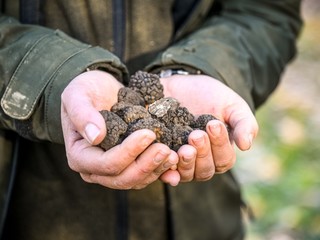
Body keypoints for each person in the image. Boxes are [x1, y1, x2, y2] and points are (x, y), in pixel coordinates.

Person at [0, 0, 302, 239]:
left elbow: (265, 12)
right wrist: (55, 78)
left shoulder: (169, 116)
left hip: (200, 219)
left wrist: (203, 67)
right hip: (25, 210)